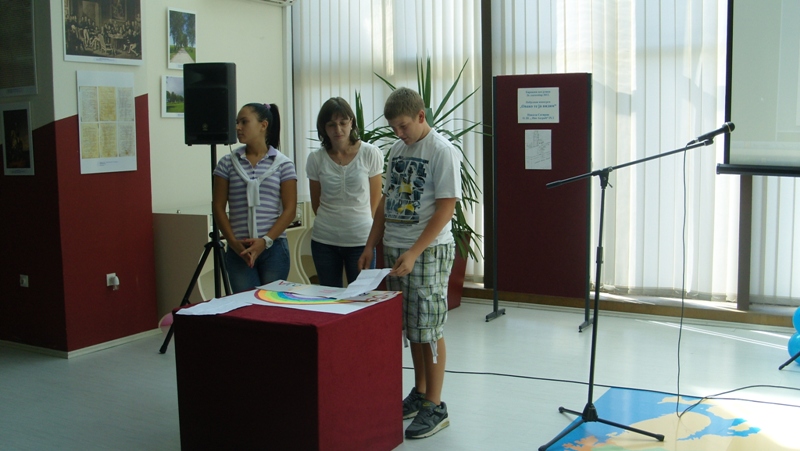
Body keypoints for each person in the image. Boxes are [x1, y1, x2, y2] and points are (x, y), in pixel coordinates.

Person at [358, 87, 461, 439]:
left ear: (421, 116)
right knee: (412, 327)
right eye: (394, 128)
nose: (399, 133)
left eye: (403, 126)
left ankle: (435, 404)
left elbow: (446, 207)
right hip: (396, 249)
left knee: (429, 328)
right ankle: (420, 392)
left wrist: (416, 250)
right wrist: (371, 245)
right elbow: (386, 201)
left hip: (427, 252)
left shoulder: (441, 150)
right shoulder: (397, 150)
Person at [213, 103, 298, 293]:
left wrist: (265, 241)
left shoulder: (283, 164)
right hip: (239, 249)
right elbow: (218, 207)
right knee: (246, 304)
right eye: (237, 122)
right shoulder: (227, 163)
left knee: (272, 304)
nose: (238, 127)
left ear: (263, 125)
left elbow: (290, 209)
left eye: (244, 122)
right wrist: (233, 243)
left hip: (273, 248)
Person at [306, 97, 383, 287]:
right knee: (329, 296)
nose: (338, 129)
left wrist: (364, 233)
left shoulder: (370, 153)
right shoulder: (316, 158)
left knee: (362, 295)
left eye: (343, 122)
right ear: (324, 128)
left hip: (361, 240)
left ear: (351, 123)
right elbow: (316, 203)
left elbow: (375, 202)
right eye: (331, 124)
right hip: (324, 241)